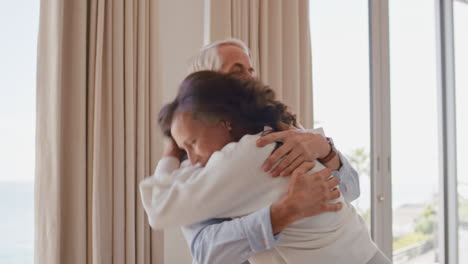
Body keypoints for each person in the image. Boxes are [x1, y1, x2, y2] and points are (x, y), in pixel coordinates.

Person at [140, 71, 391, 263]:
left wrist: (169, 155)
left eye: (193, 143)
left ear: (223, 121)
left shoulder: (246, 158)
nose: (193, 159)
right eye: (185, 149)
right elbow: (205, 247)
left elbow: (159, 209)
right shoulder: (270, 137)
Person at [170, 39, 362, 263]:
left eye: (251, 70)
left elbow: (350, 191)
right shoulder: (197, 163)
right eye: (237, 71)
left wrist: (326, 149)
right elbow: (205, 252)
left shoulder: (283, 130)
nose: (250, 77)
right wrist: (284, 212)